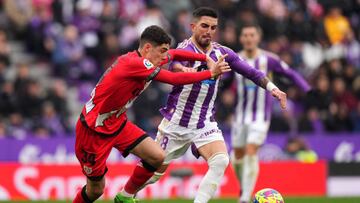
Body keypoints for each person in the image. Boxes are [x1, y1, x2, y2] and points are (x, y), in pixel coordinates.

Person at [136, 8, 287, 203]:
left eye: (213, 27)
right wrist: (187, 69)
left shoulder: (222, 53)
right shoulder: (184, 48)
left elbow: (251, 72)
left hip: (204, 122)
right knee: (153, 174)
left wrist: (273, 89)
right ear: (193, 26)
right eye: (204, 26)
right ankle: (126, 194)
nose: (209, 31)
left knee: (221, 161)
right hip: (176, 123)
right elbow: (175, 68)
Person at [73, 25, 231, 203]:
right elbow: (173, 79)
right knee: (96, 190)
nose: (166, 57)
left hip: (116, 122)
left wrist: (205, 57)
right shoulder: (135, 63)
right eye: (162, 51)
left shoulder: (149, 58)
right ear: (147, 48)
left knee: (157, 156)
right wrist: (210, 73)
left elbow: (175, 54)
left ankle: (124, 197)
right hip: (93, 131)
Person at [231, 23, 311, 203]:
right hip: (240, 117)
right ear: (241, 38)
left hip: (261, 116)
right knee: (237, 158)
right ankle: (245, 187)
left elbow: (290, 73)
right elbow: (224, 79)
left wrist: (307, 88)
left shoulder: (269, 59)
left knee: (251, 150)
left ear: (258, 38)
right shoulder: (234, 59)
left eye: (252, 35)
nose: (249, 38)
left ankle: (244, 198)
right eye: (245, 35)